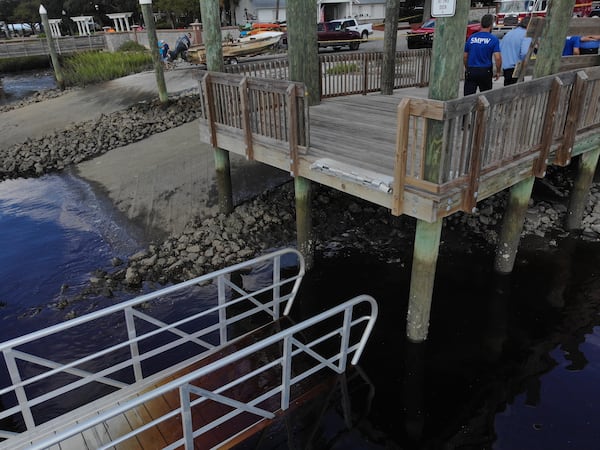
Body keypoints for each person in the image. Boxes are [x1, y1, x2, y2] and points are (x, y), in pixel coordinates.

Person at [463, 14, 502, 96]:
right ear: (491, 25)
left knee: (468, 97)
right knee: (486, 96)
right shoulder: (493, 39)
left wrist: (467, 67)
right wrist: (498, 71)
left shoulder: (471, 38)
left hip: (471, 69)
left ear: (481, 24)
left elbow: (465, 56)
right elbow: (497, 58)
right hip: (485, 70)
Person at [499, 16, 532, 86]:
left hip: (506, 68)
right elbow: (524, 52)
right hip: (516, 68)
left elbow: (500, 48)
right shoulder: (526, 34)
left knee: (507, 93)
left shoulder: (509, 33)